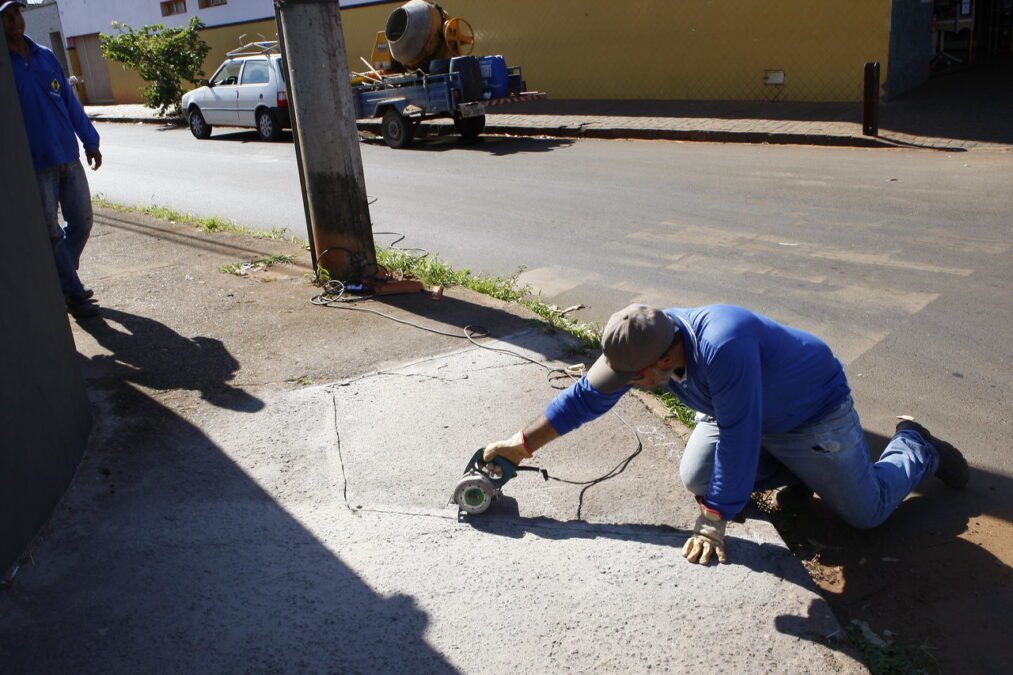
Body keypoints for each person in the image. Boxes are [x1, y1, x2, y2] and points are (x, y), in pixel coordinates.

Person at [483, 303, 969, 565]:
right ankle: (800, 473)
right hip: (740, 412)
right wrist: (520, 446)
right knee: (698, 475)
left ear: (666, 358)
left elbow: (740, 434)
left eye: (636, 377)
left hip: (811, 413)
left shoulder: (723, 346)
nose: (629, 384)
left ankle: (916, 446)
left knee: (867, 513)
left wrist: (716, 518)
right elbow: (584, 399)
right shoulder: (641, 343)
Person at [3, 0, 102, 318]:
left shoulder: (45, 56)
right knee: (52, 233)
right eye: (5, 17)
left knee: (82, 222)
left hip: (67, 156)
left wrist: (90, 140)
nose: (14, 21)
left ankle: (61, 280)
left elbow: (70, 105)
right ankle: (73, 292)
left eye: (16, 13)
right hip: (35, 165)